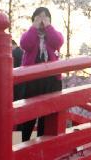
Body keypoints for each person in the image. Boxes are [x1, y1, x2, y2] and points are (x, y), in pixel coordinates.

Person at [18, 7, 64, 141]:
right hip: (32, 79)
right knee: (29, 111)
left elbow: (57, 42)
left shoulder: (55, 34)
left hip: (51, 80)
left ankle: (42, 140)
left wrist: (48, 27)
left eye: (45, 17)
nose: (42, 20)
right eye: (38, 17)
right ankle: (25, 140)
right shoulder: (28, 34)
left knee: (46, 112)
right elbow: (26, 44)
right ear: (33, 20)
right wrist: (34, 28)